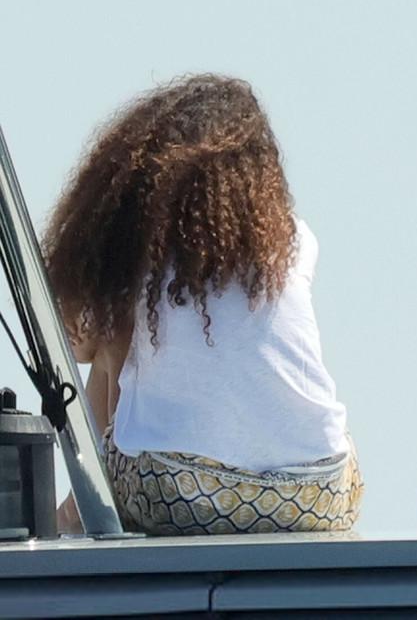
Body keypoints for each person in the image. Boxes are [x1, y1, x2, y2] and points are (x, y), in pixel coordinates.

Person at [45, 74, 361, 535]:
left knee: (115, 350)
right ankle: (77, 511)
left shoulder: (143, 243)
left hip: (181, 494)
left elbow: (78, 345)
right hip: (318, 494)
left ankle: (78, 513)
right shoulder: (293, 238)